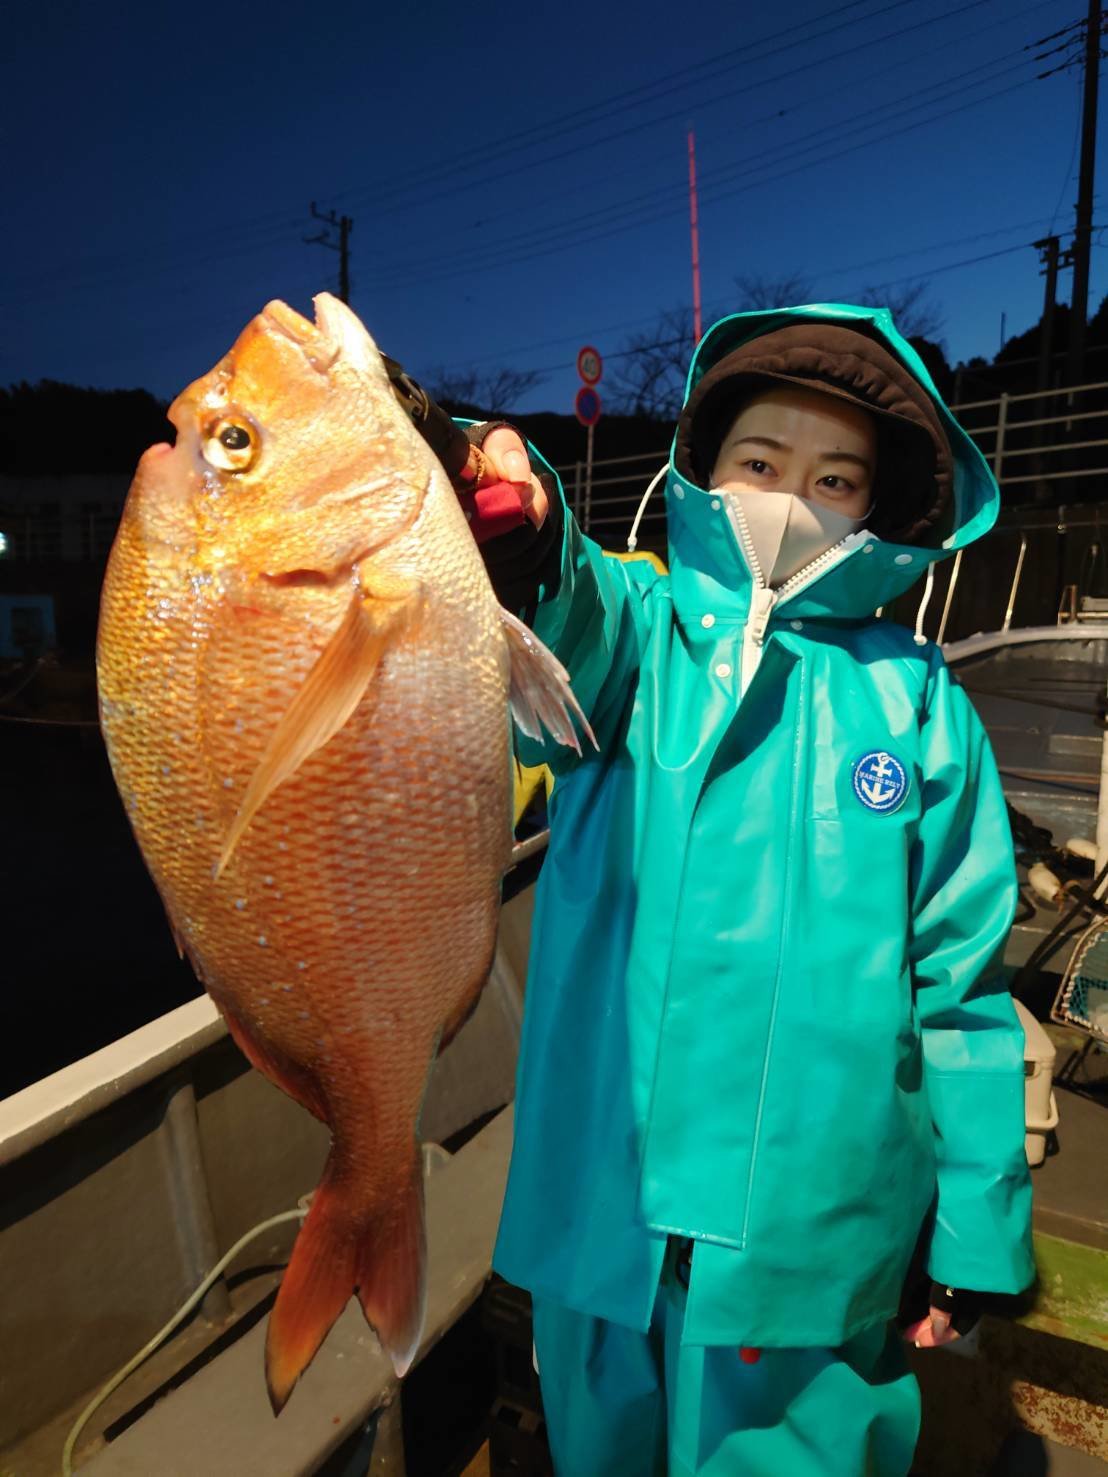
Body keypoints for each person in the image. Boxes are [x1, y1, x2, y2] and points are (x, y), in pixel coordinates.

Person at [394, 304, 1034, 1476]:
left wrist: (974, 1234)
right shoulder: (636, 636)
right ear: (704, 474)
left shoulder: (918, 702)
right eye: (759, 462)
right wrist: (523, 525)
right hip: (608, 1218)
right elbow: (563, 606)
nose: (792, 498)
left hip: (819, 1243)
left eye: (834, 477)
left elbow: (964, 983)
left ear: (872, 509)